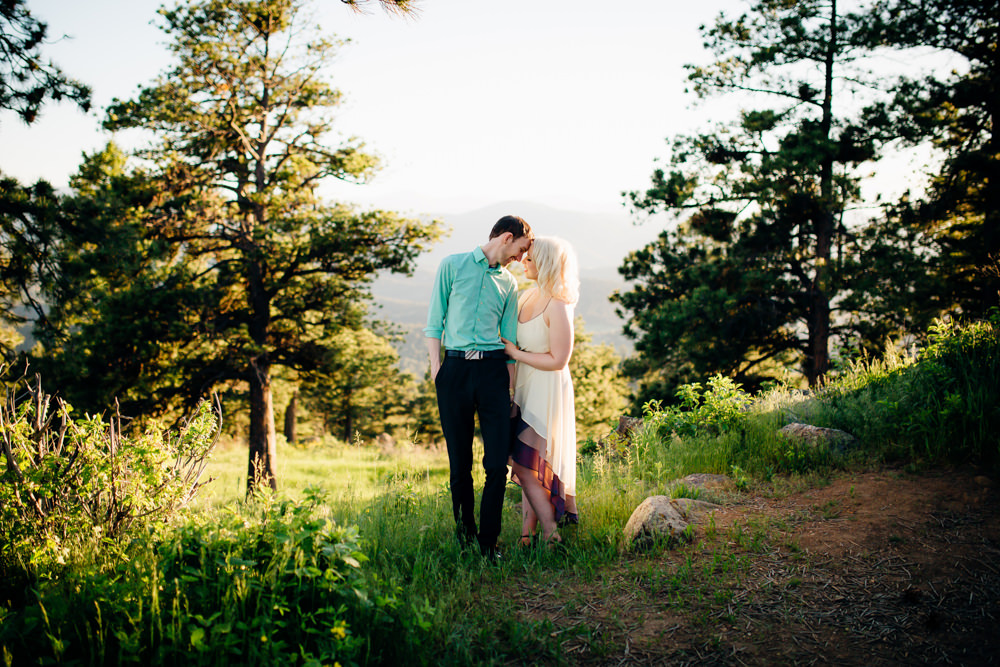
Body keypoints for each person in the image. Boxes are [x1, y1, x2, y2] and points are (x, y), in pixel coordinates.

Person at [424, 215, 534, 558]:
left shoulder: (509, 284)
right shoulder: (452, 266)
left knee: (496, 465)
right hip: (454, 372)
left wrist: (510, 391)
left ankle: (489, 543)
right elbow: (434, 321)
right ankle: (465, 538)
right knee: (459, 465)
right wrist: (437, 368)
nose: (520, 258)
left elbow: (509, 341)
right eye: (520, 249)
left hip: (492, 375)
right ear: (505, 237)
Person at [502, 236, 580, 546]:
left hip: (547, 390)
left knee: (525, 462)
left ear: (546, 264)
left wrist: (515, 354)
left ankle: (548, 532)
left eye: (530, 259)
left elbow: (559, 359)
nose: (523, 262)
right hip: (523, 387)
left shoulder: (557, 303)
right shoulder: (524, 297)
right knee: (527, 462)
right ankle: (526, 534)